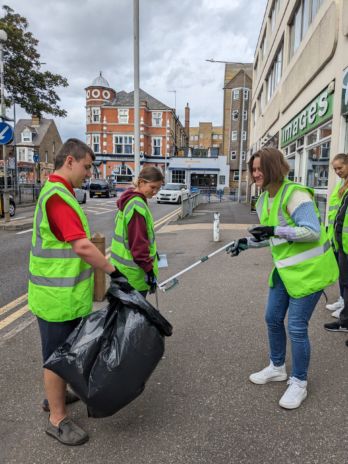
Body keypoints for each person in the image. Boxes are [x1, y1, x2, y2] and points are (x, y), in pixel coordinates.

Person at [227, 147, 338, 409]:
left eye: (259, 169)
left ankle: (299, 382)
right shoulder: (264, 199)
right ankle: (277, 367)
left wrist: (274, 229)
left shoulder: (295, 194)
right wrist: (246, 244)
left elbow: (311, 232)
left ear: (274, 168)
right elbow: (272, 238)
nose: (255, 174)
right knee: (272, 318)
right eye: (252, 169)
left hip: (309, 272)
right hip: (285, 271)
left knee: (297, 328)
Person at [28, 139, 118, 446]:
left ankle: (53, 398)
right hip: (56, 298)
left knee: (63, 355)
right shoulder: (57, 197)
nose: (88, 173)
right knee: (56, 358)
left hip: (62, 296)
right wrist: (112, 271)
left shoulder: (60, 193)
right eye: (86, 166)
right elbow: (81, 246)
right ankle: (57, 419)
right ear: (70, 161)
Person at [110, 166, 164, 296]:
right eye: (152, 187)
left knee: (124, 314)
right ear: (141, 183)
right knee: (134, 315)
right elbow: (138, 244)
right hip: (134, 275)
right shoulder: (136, 206)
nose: (155, 192)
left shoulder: (129, 200)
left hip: (122, 271)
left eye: (158, 188)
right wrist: (149, 270)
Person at [324, 153, 348, 333]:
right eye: (335, 169)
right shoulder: (343, 185)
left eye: (340, 168)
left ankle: (345, 320)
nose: (337, 171)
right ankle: (345, 316)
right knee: (344, 280)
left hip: (345, 242)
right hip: (340, 241)